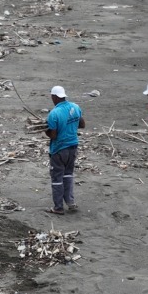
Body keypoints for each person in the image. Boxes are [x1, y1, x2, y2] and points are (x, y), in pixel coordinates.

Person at [43, 84, 86, 214]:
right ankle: (70, 202)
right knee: (68, 175)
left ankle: (58, 207)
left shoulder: (54, 113)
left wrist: (46, 131)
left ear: (54, 97)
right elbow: (82, 124)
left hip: (59, 149)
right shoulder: (75, 107)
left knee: (57, 178)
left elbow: (54, 135)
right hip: (73, 146)